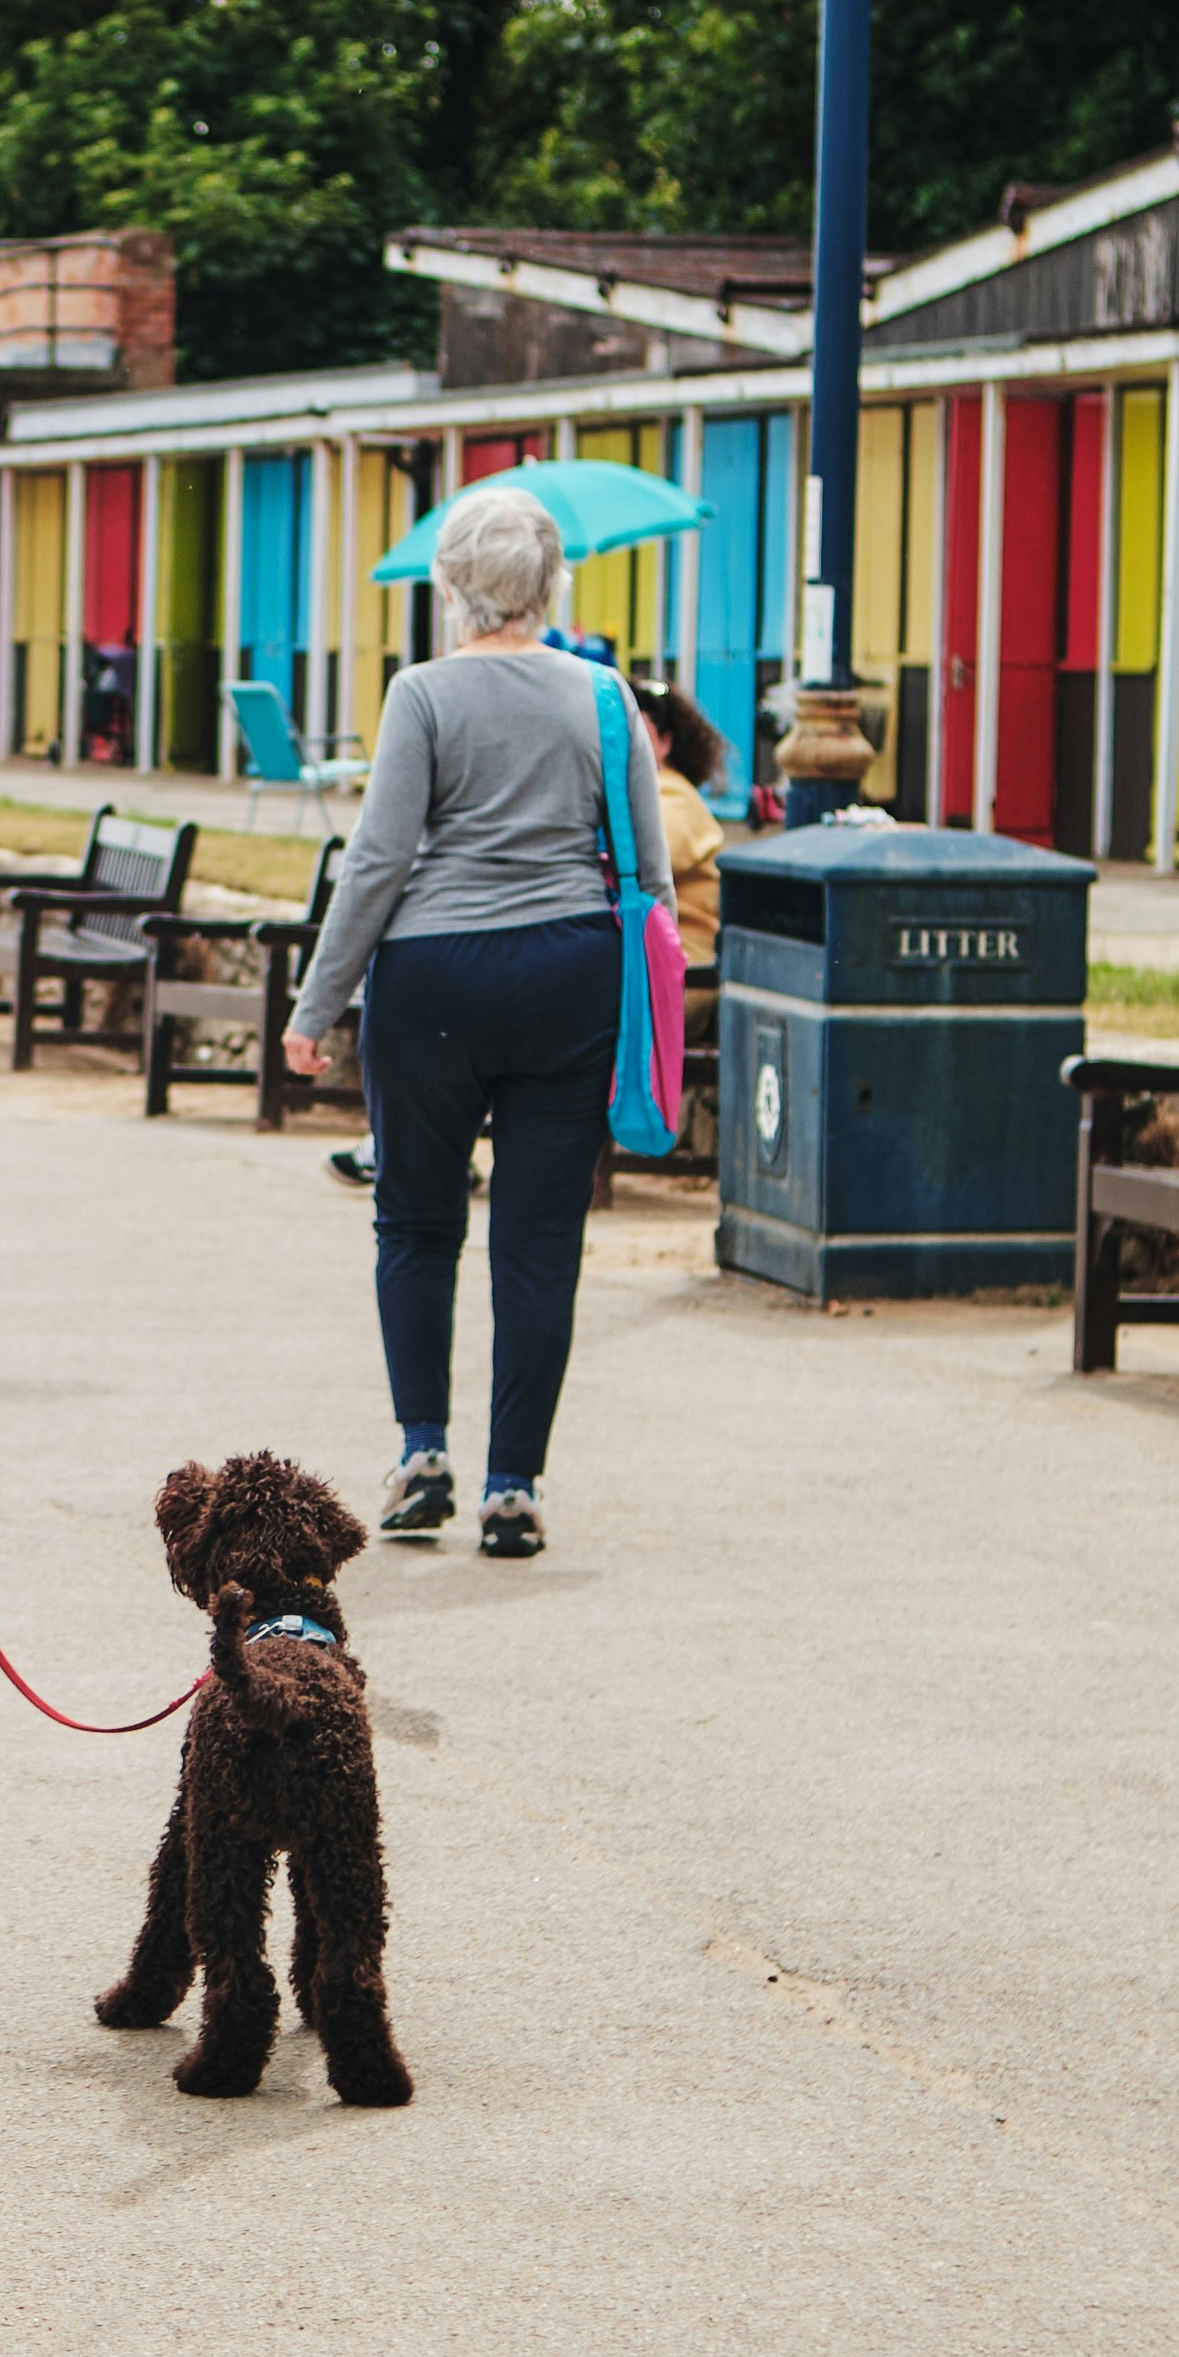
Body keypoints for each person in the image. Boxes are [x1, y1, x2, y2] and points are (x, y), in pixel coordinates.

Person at [277, 485, 626, 1565]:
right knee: (538, 1239)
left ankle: (422, 1453)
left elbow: (379, 861)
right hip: (571, 966)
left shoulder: (420, 695)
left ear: (453, 589)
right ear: (550, 584)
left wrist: (316, 1003)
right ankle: (514, 1483)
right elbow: (645, 866)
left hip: (433, 978)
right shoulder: (604, 696)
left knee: (418, 1221)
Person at [639, 677, 734, 958]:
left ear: (664, 743)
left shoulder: (673, 794)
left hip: (686, 972)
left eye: (634, 734)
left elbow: (647, 850)